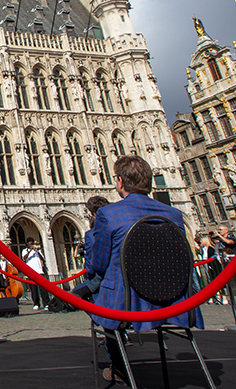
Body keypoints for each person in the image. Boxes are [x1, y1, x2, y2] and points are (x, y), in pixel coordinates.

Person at [85, 155, 201, 384]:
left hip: (128, 304)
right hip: (174, 302)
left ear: (119, 182)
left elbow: (98, 264)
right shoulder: (174, 214)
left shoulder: (109, 215)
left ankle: (119, 366)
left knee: (87, 293)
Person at [72, 195, 110, 303]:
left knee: (75, 295)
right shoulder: (119, 226)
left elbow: (91, 267)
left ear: (93, 214)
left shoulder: (91, 235)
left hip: (101, 284)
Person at [21, 237, 47, 310]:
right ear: (27, 243)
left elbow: (43, 259)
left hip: (39, 271)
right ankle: (36, 303)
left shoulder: (37, 251)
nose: (31, 243)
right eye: (29, 242)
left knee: (43, 289)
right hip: (31, 272)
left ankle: (46, 303)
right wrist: (30, 251)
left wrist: (38, 251)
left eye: (32, 242)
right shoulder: (25, 251)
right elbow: (24, 258)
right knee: (34, 290)